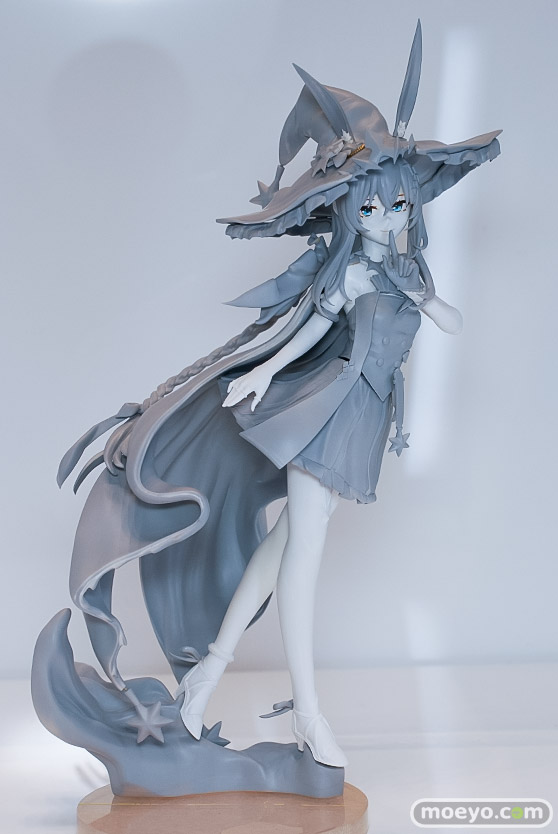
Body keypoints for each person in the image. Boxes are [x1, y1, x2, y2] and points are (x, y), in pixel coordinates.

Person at [52, 21, 501, 771]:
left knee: (286, 542)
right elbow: (308, 330)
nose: (385, 219)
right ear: (348, 212)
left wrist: (422, 294)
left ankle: (206, 677)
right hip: (324, 414)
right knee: (304, 556)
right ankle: (309, 714)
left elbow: (449, 321)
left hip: (362, 420)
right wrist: (262, 373)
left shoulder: (407, 273)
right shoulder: (350, 275)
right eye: (369, 209)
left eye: (396, 206)